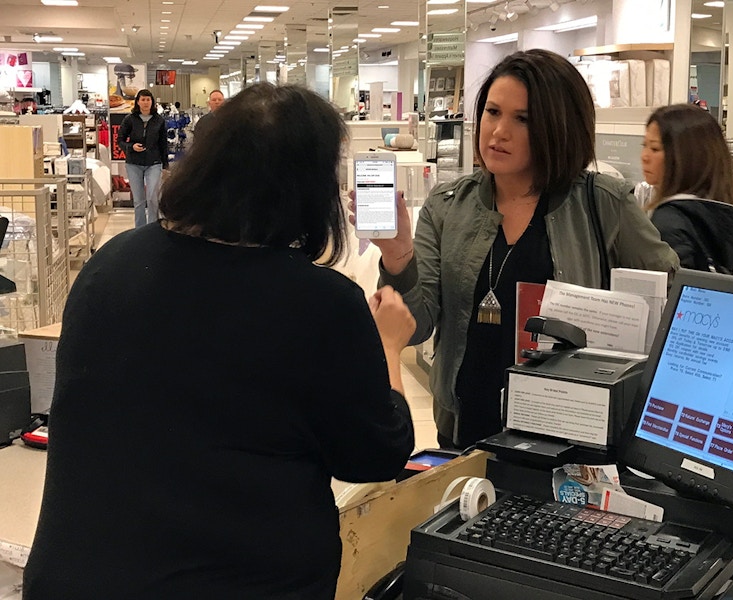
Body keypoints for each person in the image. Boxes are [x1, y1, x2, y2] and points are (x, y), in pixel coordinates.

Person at [23, 83, 416, 600]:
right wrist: (388, 346)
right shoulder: (318, 302)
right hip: (242, 579)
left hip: (78, 575)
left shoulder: (111, 263)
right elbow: (376, 455)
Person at [356, 49, 680, 449]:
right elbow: (418, 326)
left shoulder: (603, 203)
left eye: (522, 119)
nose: (498, 132)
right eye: (492, 112)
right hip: (465, 426)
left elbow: (671, 295)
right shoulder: (448, 205)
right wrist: (398, 254)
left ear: (557, 127)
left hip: (569, 434)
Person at [640, 103, 733, 274]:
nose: (644, 156)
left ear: (686, 157)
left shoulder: (669, 221)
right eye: (644, 146)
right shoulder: (721, 216)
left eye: (655, 148)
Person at [118, 89, 169, 229]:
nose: (146, 102)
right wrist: (131, 147)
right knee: (139, 201)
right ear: (138, 102)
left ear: (152, 102)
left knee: (152, 198)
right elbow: (120, 140)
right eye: (143, 99)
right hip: (133, 163)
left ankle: (152, 228)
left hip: (154, 163)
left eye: (148, 99)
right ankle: (139, 229)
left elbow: (163, 143)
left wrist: (165, 164)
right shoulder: (129, 119)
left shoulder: (159, 120)